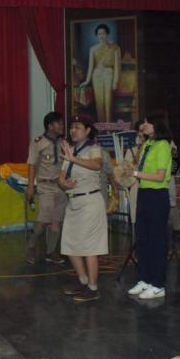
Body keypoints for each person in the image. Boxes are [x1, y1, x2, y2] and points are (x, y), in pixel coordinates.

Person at [58, 115, 108, 302]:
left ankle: (93, 288)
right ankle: (83, 281)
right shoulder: (69, 150)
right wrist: (64, 184)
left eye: (78, 127)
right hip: (73, 202)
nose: (73, 130)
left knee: (89, 247)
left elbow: (97, 165)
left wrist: (74, 158)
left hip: (90, 202)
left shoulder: (94, 149)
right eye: (71, 127)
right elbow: (61, 177)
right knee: (69, 244)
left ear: (87, 130)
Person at [126, 112, 172, 300]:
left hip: (157, 195)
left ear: (156, 125)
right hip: (144, 193)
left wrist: (135, 174)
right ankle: (145, 279)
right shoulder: (147, 144)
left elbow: (160, 176)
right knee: (143, 238)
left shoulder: (163, 145)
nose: (143, 125)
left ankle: (158, 284)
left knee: (157, 241)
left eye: (147, 123)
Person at [25, 112, 67, 265]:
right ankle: (31, 245)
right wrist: (31, 186)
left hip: (60, 186)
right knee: (43, 220)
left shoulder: (63, 143)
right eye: (58, 123)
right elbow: (32, 164)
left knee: (57, 221)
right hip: (45, 186)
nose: (62, 126)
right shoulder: (38, 142)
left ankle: (51, 252)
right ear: (50, 126)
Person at [80, 23, 121, 122]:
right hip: (96, 76)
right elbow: (91, 67)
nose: (101, 36)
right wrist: (87, 80)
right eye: (99, 34)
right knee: (99, 103)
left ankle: (109, 127)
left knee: (108, 102)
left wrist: (115, 82)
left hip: (109, 75)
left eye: (103, 33)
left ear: (107, 34)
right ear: (97, 35)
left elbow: (117, 66)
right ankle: (101, 127)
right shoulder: (93, 49)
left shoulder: (115, 48)